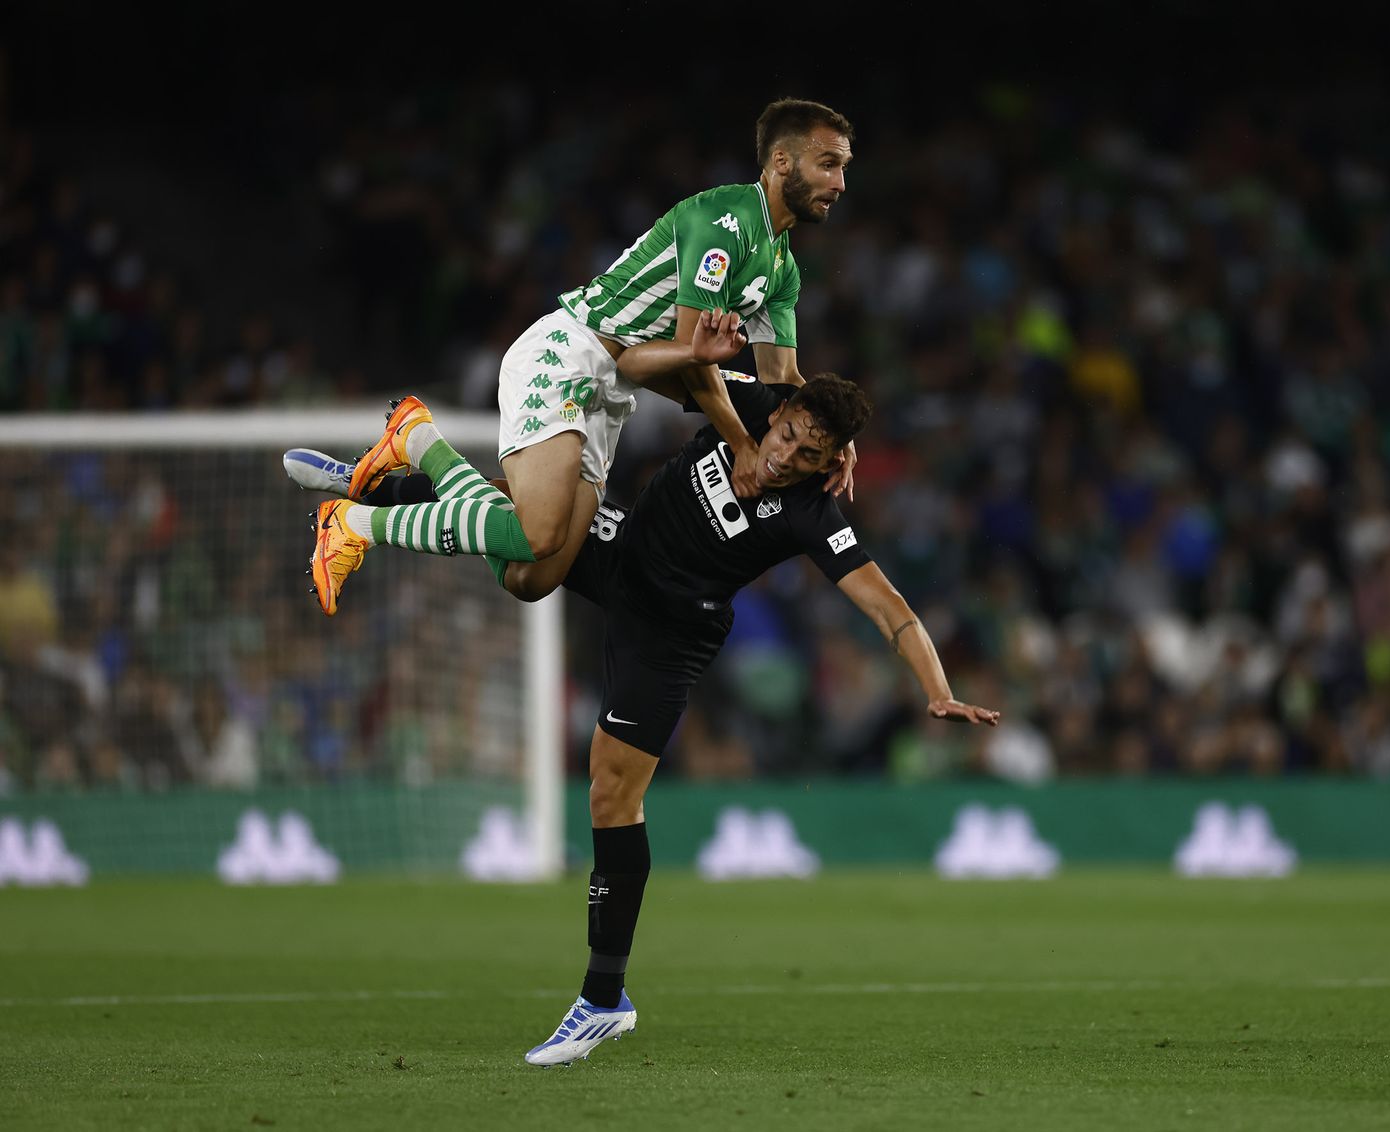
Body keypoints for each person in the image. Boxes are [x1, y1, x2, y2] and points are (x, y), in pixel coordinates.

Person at [289, 369, 1001, 1067]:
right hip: (621, 549)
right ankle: (372, 483)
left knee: (611, 793)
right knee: (527, 520)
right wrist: (700, 357)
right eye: (786, 436)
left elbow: (890, 609)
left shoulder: (815, 509)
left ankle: (604, 1000)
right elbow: (632, 362)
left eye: (812, 454)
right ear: (780, 413)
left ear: (831, 462)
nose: (786, 456)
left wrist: (935, 688)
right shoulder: (746, 403)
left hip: (670, 631)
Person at [300, 98, 857, 616]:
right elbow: (693, 356)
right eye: (828, 164)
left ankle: (421, 442)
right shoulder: (725, 223)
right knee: (537, 532)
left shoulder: (781, 266)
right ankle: (357, 523)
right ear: (782, 161)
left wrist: (836, 434)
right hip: (571, 355)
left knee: (531, 578)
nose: (839, 182)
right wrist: (741, 444)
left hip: (611, 394)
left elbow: (782, 379)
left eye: (844, 169)